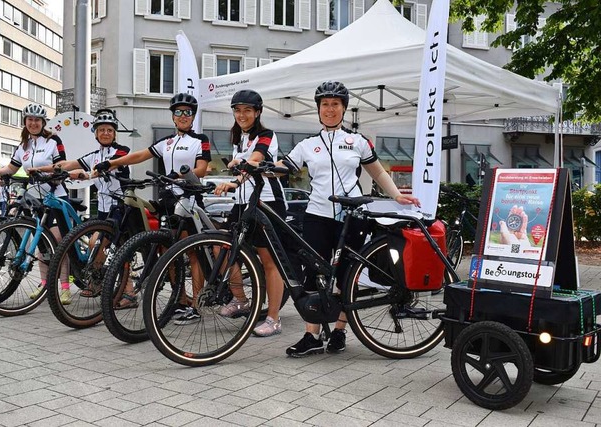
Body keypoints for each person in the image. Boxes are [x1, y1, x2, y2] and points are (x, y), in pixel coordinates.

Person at [280, 81, 420, 357]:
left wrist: (397, 196)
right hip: (317, 215)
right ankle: (312, 335)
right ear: (318, 110)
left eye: (335, 104)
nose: (329, 109)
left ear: (344, 108)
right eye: (324, 105)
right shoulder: (307, 145)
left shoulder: (357, 141)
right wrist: (259, 167)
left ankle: (341, 331)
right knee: (315, 273)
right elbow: (284, 167)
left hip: (352, 216)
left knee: (347, 274)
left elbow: (378, 173)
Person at [94, 93, 211, 319]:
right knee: (169, 252)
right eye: (179, 112)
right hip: (168, 201)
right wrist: (112, 163)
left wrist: (179, 176)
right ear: (173, 117)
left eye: (188, 112)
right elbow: (139, 155)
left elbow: (202, 168)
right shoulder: (166, 142)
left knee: (193, 254)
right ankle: (180, 299)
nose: (183, 116)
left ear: (193, 116)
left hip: (188, 199)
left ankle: (197, 305)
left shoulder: (200, 140)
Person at [32, 109, 132, 302]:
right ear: (95, 133)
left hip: (120, 207)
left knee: (113, 246)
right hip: (103, 209)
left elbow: (110, 164)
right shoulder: (94, 155)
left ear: (114, 133)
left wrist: (88, 174)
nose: (105, 133)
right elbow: (68, 165)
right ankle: (98, 283)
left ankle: (128, 292)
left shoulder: (121, 151)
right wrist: (41, 170)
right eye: (101, 129)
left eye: (109, 130)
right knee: (96, 244)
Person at [213, 90, 287, 337]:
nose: (241, 114)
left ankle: (274, 319)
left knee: (269, 262)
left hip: (267, 202)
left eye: (247, 110)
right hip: (243, 202)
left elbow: (257, 159)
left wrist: (237, 179)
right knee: (220, 247)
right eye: (237, 110)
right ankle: (241, 300)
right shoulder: (238, 138)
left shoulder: (266, 135)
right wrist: (233, 182)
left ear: (257, 112)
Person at [0, 103, 72, 305]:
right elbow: (11, 167)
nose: (33, 123)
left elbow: (61, 164)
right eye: (30, 120)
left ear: (43, 123)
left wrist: (43, 170)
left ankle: (65, 287)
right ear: (25, 122)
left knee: (58, 240)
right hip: (36, 198)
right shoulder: (23, 147)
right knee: (41, 243)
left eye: (37, 120)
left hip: (56, 195)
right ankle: (44, 284)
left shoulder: (53, 141)